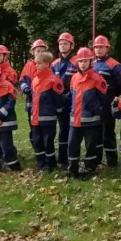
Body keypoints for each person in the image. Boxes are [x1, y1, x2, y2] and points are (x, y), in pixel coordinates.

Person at [68, 47, 109, 179]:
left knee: (90, 146)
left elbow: (104, 99)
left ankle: (90, 168)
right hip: (75, 119)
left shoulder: (97, 79)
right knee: (72, 144)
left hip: (91, 120)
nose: (83, 64)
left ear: (91, 62)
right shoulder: (74, 78)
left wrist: (98, 113)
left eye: (85, 61)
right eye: (80, 61)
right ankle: (72, 168)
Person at [92, 35, 121, 168]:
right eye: (96, 47)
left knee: (108, 132)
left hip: (108, 103)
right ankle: (97, 159)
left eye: (101, 47)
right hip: (94, 103)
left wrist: (116, 100)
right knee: (96, 132)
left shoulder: (114, 65)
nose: (98, 50)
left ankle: (112, 161)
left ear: (107, 48)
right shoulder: (91, 64)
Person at [31, 52, 65, 172]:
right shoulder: (35, 80)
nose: (37, 66)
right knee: (37, 141)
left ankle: (50, 164)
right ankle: (40, 163)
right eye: (36, 63)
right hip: (35, 117)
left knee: (48, 141)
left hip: (48, 117)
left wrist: (58, 112)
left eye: (39, 63)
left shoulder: (54, 80)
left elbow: (58, 99)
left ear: (47, 64)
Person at [52, 32, 78, 166]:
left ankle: (71, 156)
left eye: (65, 43)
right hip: (58, 100)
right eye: (61, 44)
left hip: (73, 99)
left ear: (71, 46)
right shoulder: (55, 63)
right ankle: (62, 158)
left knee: (70, 129)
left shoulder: (77, 62)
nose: (62, 46)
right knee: (62, 129)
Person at [20, 39, 47, 144]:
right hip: (31, 100)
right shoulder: (29, 65)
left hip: (45, 101)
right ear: (33, 52)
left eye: (42, 51)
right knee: (33, 125)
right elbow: (22, 80)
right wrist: (26, 89)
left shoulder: (48, 65)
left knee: (44, 125)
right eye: (38, 51)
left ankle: (45, 146)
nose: (40, 53)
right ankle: (36, 147)